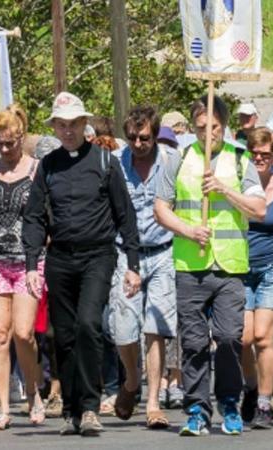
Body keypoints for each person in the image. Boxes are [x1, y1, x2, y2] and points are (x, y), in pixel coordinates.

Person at [23, 92, 142, 436]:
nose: (68, 130)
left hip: (97, 256)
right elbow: (33, 217)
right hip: (60, 258)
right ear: (55, 128)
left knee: (89, 325)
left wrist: (133, 264)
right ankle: (71, 409)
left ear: (84, 123)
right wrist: (32, 263)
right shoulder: (48, 166)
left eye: (74, 123)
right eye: (62, 124)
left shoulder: (105, 162)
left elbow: (125, 215)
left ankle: (90, 406)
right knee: (63, 335)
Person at [154, 95, 266, 437]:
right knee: (193, 342)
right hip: (191, 263)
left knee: (231, 338)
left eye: (214, 128)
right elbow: (161, 208)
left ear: (225, 126)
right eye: (201, 128)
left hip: (229, 265)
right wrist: (189, 229)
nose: (208, 135)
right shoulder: (180, 159)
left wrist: (224, 189)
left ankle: (229, 403)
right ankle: (197, 409)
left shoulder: (240, 160)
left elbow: (259, 209)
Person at [104, 105, 178, 429]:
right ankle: (132, 380)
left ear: (156, 134)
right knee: (122, 328)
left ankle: (152, 402)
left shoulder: (172, 161)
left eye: (144, 137)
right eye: (132, 137)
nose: (138, 143)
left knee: (155, 329)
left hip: (163, 251)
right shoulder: (116, 164)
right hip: (126, 253)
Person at [0, 104, 46, 430]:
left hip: (29, 262)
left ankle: (33, 392)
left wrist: (45, 243)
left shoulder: (37, 170)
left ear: (21, 137)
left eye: (10, 143)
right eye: (0, 143)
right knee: (0, 333)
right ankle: (4, 407)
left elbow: (49, 213)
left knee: (23, 332)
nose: (5, 150)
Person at [238, 127, 273, 429]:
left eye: (265, 154)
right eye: (254, 153)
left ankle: (264, 401)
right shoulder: (241, 184)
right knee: (243, 338)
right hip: (243, 267)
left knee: (263, 337)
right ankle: (250, 386)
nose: (259, 158)